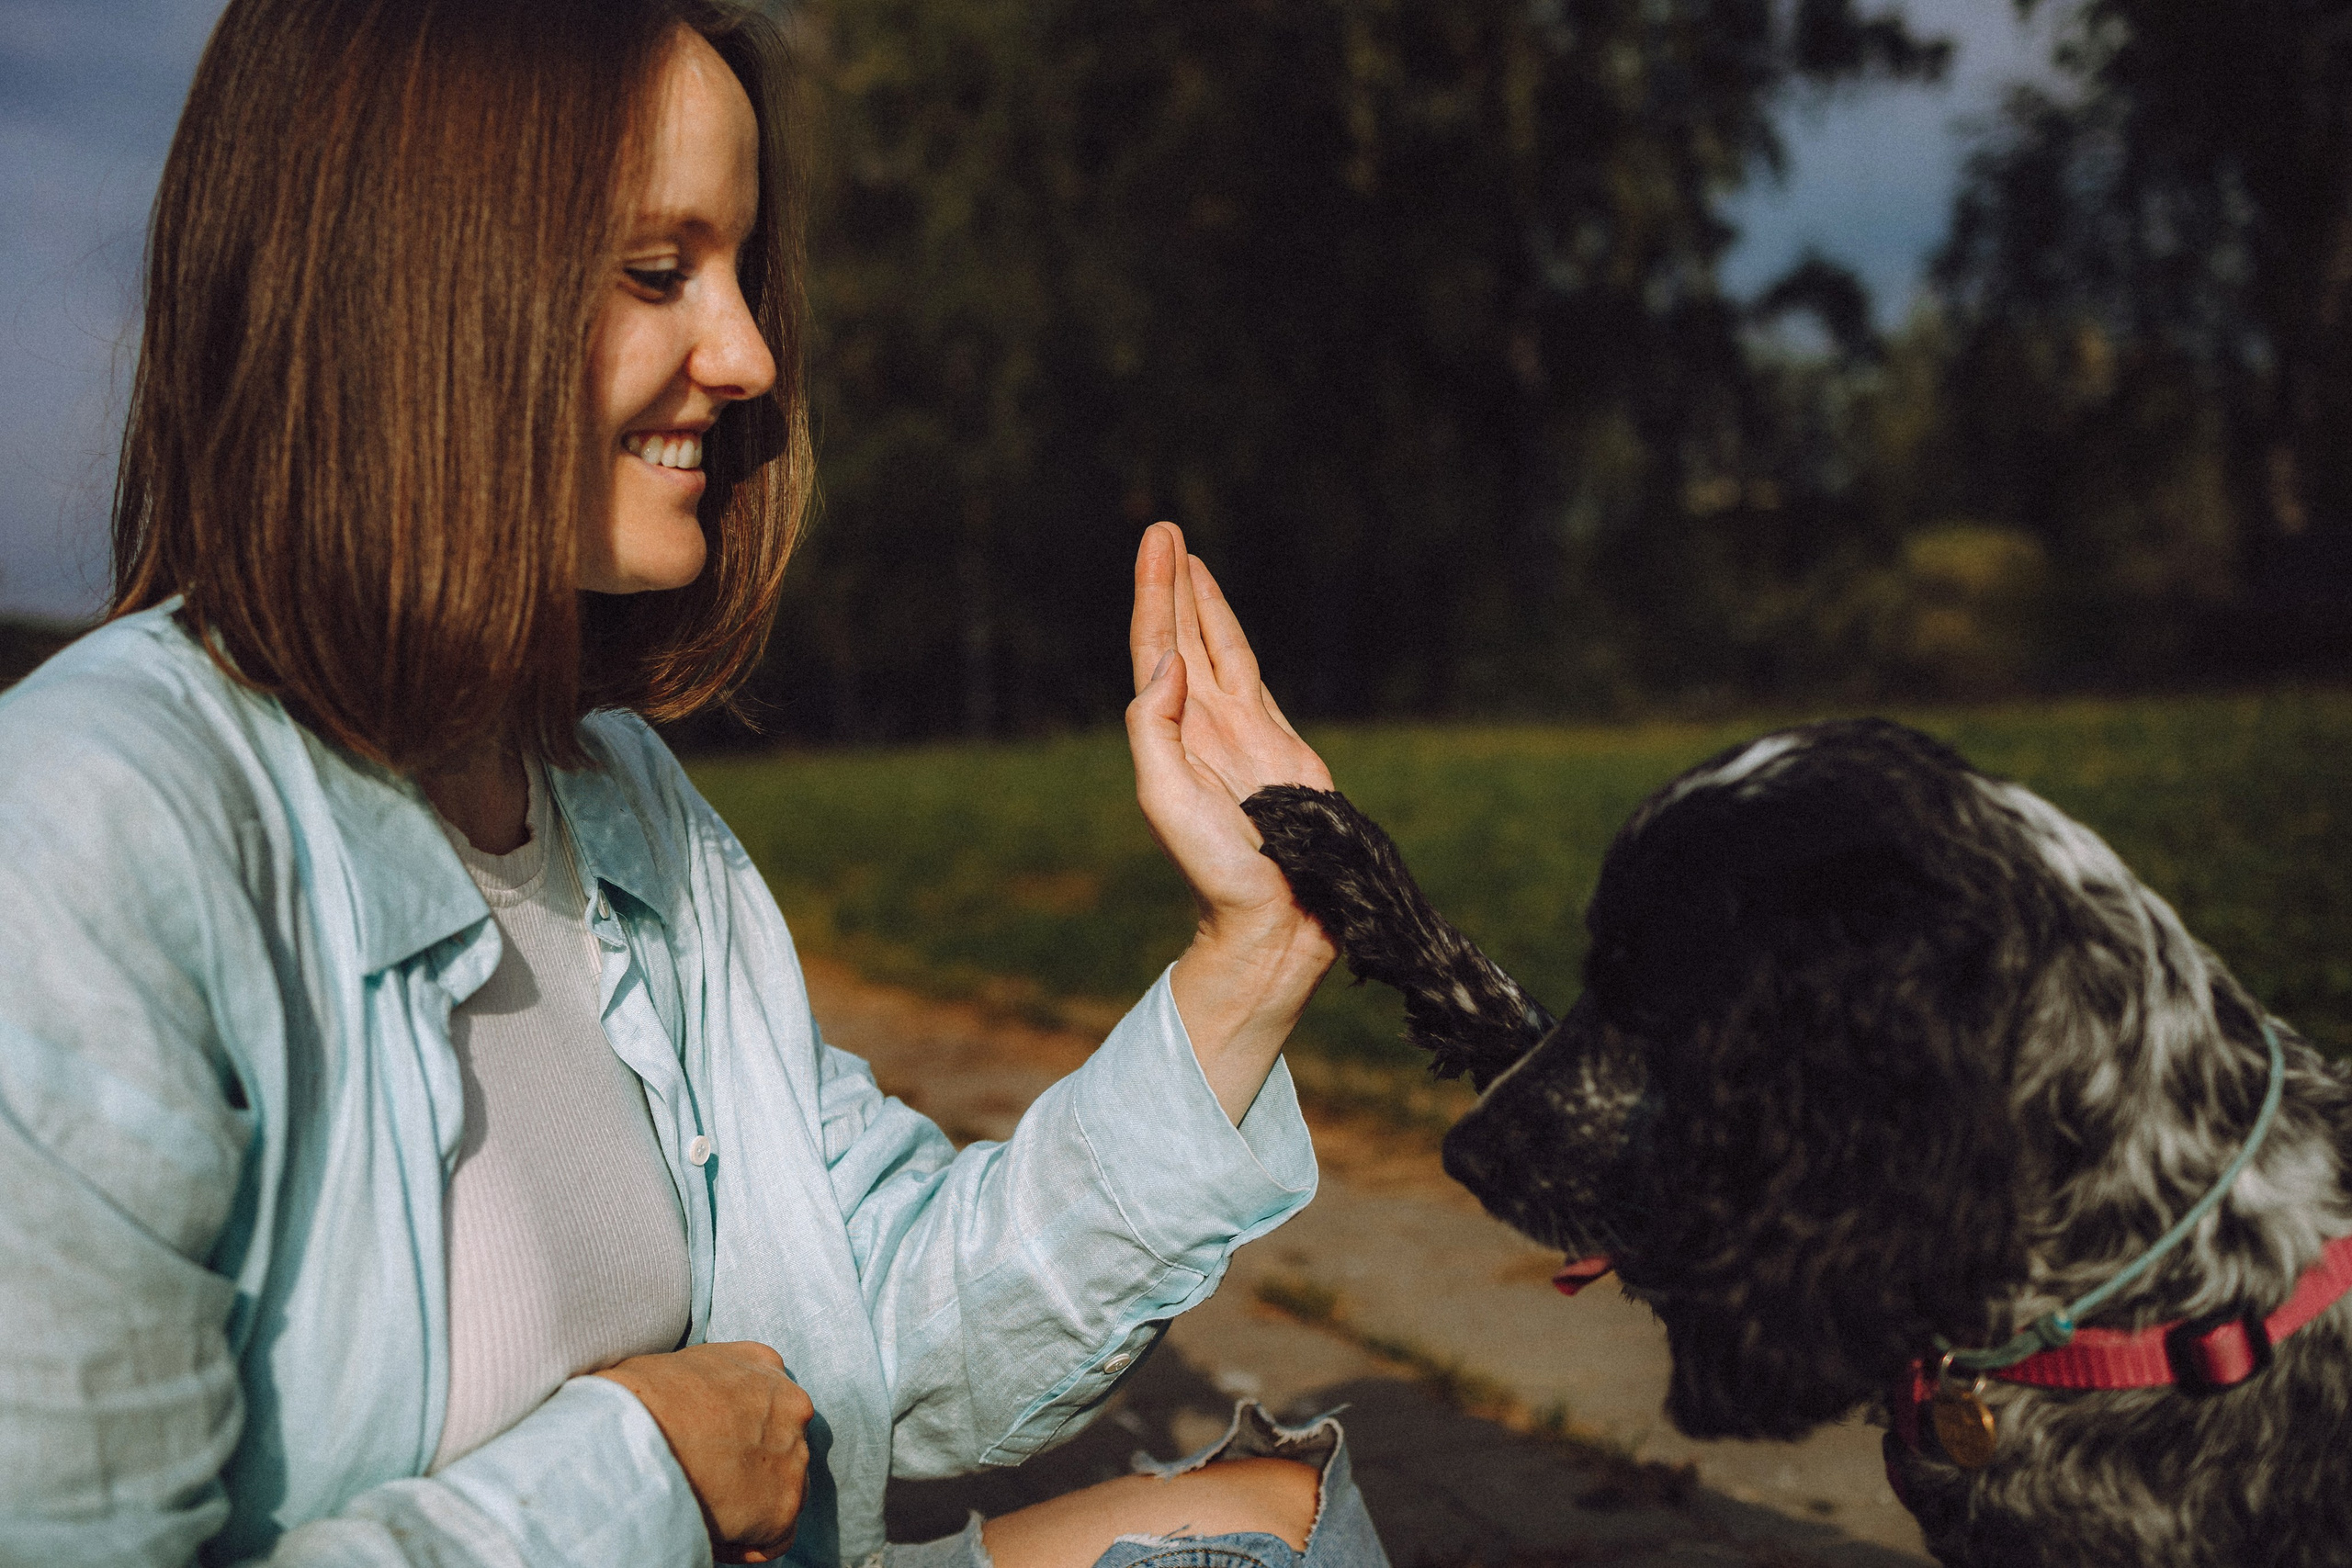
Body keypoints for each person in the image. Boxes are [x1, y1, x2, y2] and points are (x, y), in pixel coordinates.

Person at [0, 3, 1391, 1565]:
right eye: (658, 272)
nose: (748, 359)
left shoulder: (624, 805)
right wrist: (642, 1469)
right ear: (409, 285)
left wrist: (1254, 955)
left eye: (737, 271)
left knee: (1276, 1528)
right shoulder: (92, 836)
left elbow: (879, 1322)